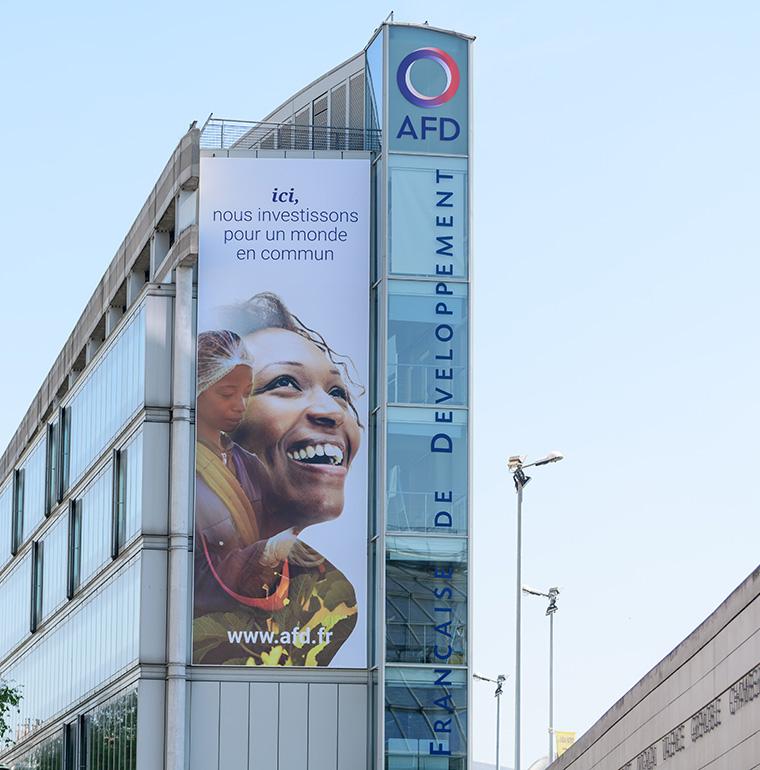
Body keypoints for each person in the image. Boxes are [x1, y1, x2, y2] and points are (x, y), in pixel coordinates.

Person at [193, 294, 363, 667]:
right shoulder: (188, 507)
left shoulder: (332, 595)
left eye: (338, 393)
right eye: (285, 383)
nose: (332, 411)